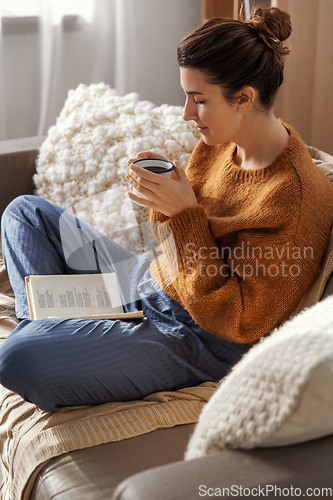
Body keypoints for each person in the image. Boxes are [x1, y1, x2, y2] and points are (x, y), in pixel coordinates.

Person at [0, 6, 332, 413]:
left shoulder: (292, 198)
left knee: (17, 356)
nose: (187, 113)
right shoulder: (217, 145)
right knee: (23, 214)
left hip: (194, 335)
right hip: (152, 280)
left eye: (198, 99)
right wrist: (166, 200)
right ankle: (58, 323)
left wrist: (186, 214)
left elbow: (240, 322)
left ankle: (57, 329)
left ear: (245, 98)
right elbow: (168, 246)